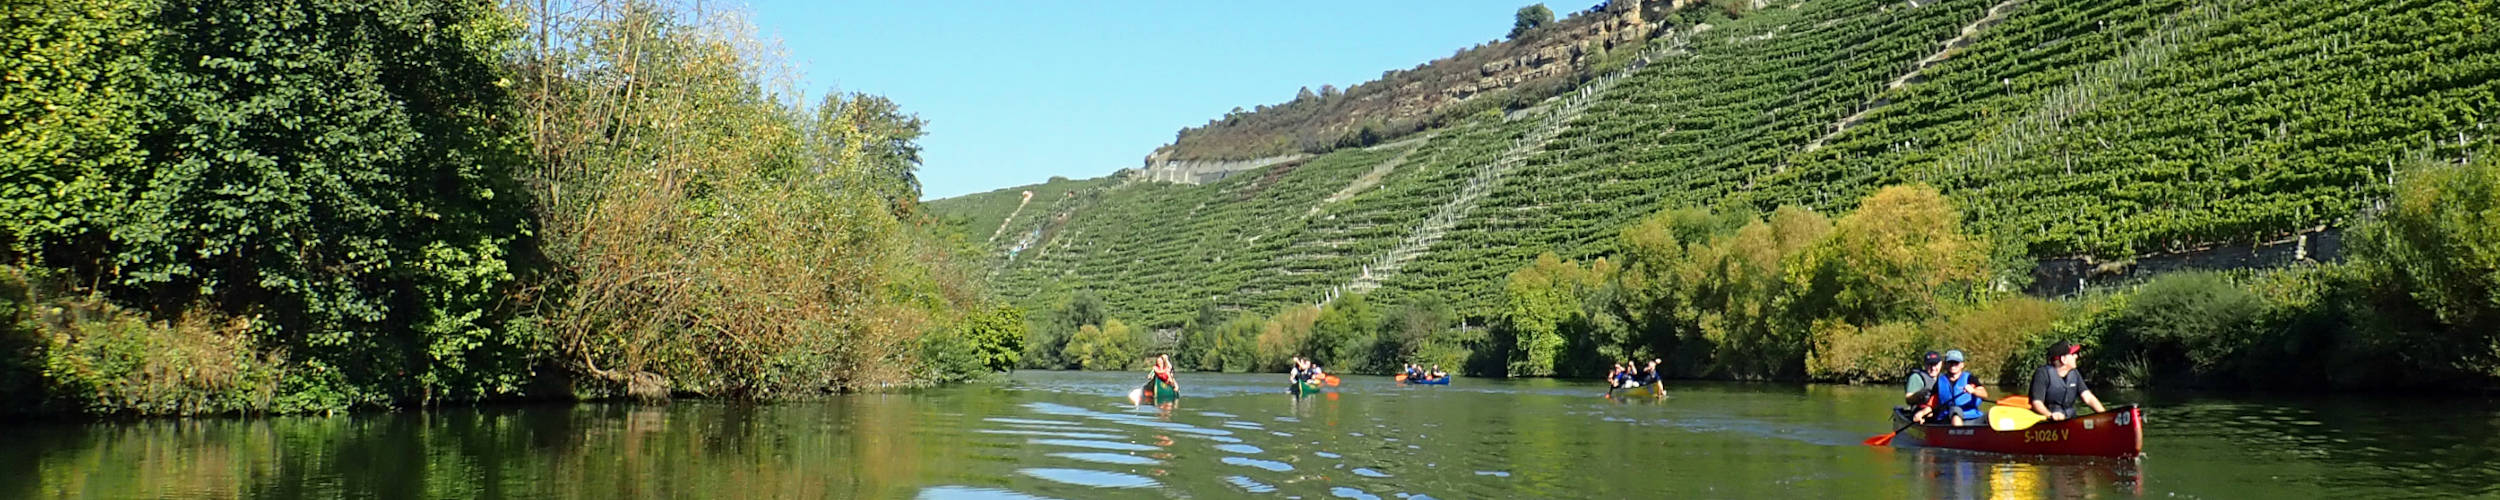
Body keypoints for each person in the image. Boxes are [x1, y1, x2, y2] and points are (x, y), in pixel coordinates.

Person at [2030, 341, 2107, 421]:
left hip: (2070, 419)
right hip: (2049, 422)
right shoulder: (2042, 374)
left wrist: (2104, 415)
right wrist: (2050, 415)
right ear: (2063, 359)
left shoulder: (2074, 373)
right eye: (2072, 354)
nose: (2076, 356)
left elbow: (2088, 397)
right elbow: (2037, 403)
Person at [1912, 350, 1989, 426]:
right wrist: (1921, 413)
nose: (1953, 365)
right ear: (1945, 364)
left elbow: (1984, 394)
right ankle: (1959, 436)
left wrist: (1973, 391)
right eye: (1950, 363)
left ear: (1962, 365)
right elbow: (1932, 405)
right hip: (1947, 419)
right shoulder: (1940, 382)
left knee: (1992, 415)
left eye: (1956, 363)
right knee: (1955, 411)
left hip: (1971, 417)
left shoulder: (1970, 379)